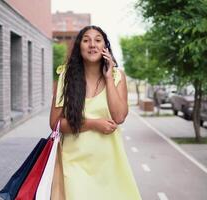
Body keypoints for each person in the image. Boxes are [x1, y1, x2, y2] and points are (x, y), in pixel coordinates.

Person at [50, 25, 142, 200]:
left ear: (105, 47)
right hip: (74, 164)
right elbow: (55, 124)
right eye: (86, 40)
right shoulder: (65, 78)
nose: (92, 44)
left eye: (98, 40)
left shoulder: (116, 77)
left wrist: (108, 77)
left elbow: (119, 116)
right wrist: (93, 124)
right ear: (79, 47)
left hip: (110, 165)